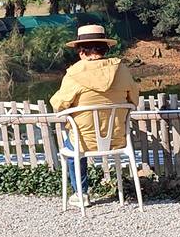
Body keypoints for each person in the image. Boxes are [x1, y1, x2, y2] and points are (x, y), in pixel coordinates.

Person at [50, 24, 139, 208]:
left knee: (72, 146)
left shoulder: (74, 73)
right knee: (77, 140)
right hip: (117, 139)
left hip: (85, 141)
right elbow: (134, 99)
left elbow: (58, 105)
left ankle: (81, 193)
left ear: (82, 51)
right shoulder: (121, 70)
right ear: (105, 48)